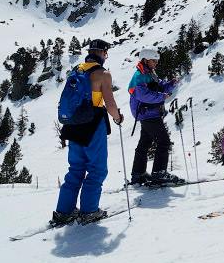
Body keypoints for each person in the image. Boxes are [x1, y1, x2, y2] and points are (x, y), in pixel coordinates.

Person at [51, 39, 124, 227]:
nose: (106, 57)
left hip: (74, 125)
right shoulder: (102, 74)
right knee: (97, 169)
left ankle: (63, 212)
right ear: (101, 53)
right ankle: (89, 211)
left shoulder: (77, 69)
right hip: (93, 124)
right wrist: (117, 118)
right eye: (105, 53)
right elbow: (110, 104)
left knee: (75, 169)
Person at [128, 49, 183, 187]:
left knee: (144, 143)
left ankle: (138, 174)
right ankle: (159, 173)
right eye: (154, 61)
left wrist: (171, 83)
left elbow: (160, 86)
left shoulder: (150, 74)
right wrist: (162, 96)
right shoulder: (139, 76)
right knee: (164, 142)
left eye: (157, 61)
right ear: (145, 60)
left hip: (149, 113)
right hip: (148, 114)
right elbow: (143, 95)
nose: (156, 63)